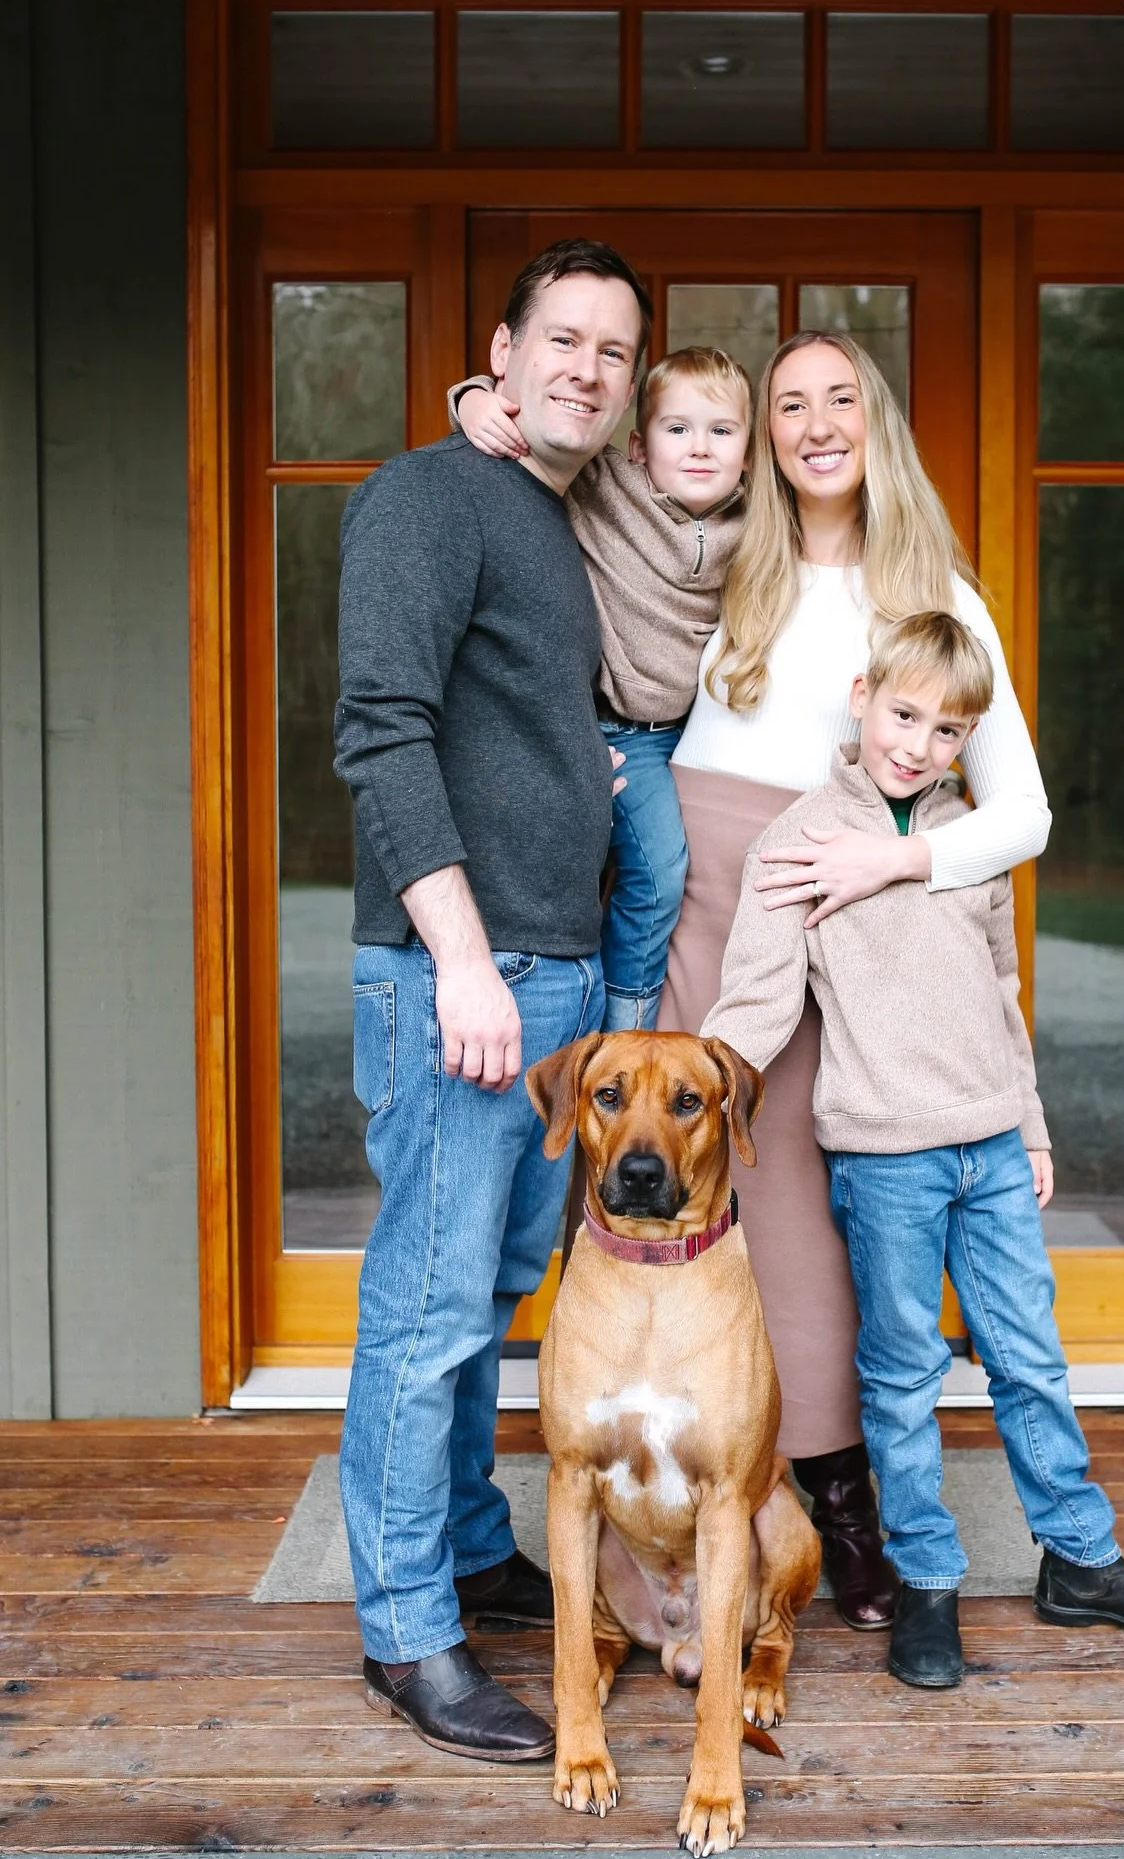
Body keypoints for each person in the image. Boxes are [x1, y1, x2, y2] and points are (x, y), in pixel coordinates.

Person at [701, 611, 1124, 1689]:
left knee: (1030, 1358)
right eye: (903, 714)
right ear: (861, 696)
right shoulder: (796, 846)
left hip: (988, 1146)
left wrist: (1028, 1123)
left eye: (948, 731)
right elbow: (754, 1004)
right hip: (887, 1158)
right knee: (899, 1375)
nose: (920, 743)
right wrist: (682, 1090)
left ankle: (1079, 1558)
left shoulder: (967, 841)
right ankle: (926, 1581)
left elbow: (1001, 994)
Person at [658, 330, 1052, 1631]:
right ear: (765, 434)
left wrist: (891, 866)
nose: (816, 422)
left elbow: (1023, 815)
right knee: (709, 1194)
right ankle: (693, 1488)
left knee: (830, 1219)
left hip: (857, 919)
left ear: (875, 421)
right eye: (789, 404)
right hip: (714, 908)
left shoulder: (933, 586)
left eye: (842, 397)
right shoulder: (721, 562)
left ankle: (840, 1490)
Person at [333, 238, 648, 1761]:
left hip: (557, 980)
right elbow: (381, 731)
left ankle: (464, 1541)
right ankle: (406, 1635)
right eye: (566, 341)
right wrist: (459, 955)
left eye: (615, 354)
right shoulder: (427, 497)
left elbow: (492, 715)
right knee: (428, 1307)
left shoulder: (542, 513)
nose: (590, 370)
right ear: (503, 355)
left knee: (492, 1295)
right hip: (472, 976)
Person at [449, 347, 750, 1029]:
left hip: (699, 735)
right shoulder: (608, 484)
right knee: (658, 872)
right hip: (621, 731)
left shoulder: (756, 521)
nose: (700, 447)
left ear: (747, 450)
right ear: (640, 446)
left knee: (720, 883)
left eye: (722, 431)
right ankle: (629, 1025)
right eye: (678, 430)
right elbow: (530, 427)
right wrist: (471, 399)